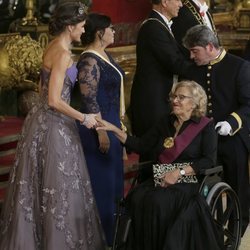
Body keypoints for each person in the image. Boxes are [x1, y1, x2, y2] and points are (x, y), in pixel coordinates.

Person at [0, 2, 106, 249]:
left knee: (42, 186)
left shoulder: (52, 46)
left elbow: (41, 91)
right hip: (55, 125)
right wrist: (84, 118)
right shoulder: (62, 54)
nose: (83, 31)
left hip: (43, 122)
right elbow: (54, 99)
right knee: (59, 186)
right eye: (80, 27)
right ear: (69, 27)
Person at [97, 80, 223, 250]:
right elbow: (142, 145)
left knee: (159, 202)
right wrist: (114, 130)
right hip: (161, 175)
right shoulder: (166, 122)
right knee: (137, 197)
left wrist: (178, 173)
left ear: (194, 103)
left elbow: (208, 160)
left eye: (181, 97)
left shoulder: (205, 126)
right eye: (174, 96)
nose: (175, 100)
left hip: (188, 179)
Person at [183, 24, 250, 237]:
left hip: (233, 138)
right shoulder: (193, 70)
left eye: (195, 51)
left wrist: (232, 121)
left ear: (210, 46)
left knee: (237, 187)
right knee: (199, 187)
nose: (192, 56)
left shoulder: (239, 66)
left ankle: (235, 233)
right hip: (202, 140)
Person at [76, 13, 125, 247]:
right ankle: (100, 239)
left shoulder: (106, 55)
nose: (114, 32)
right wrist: (101, 131)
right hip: (97, 127)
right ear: (99, 33)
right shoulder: (88, 60)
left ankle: (113, 238)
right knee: (102, 185)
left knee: (114, 184)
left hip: (111, 122)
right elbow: (88, 99)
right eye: (111, 28)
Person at [130, 0, 195, 140]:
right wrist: (204, 67)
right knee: (155, 155)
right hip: (153, 105)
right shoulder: (153, 27)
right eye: (177, 0)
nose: (181, 5)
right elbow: (175, 63)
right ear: (165, 2)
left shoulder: (160, 25)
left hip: (158, 101)